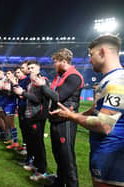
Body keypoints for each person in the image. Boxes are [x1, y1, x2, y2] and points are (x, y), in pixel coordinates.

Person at [50, 35, 124, 187]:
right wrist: (72, 115)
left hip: (112, 158)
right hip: (102, 153)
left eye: (91, 55)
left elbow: (104, 125)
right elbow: (93, 110)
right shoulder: (107, 80)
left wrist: (71, 115)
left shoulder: (117, 81)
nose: (90, 60)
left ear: (102, 52)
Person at [46, 48, 84, 187]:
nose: (54, 65)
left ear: (63, 61)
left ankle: (73, 184)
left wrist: (43, 86)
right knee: (58, 154)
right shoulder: (61, 75)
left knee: (67, 156)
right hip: (57, 119)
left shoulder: (73, 76)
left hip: (66, 121)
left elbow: (58, 97)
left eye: (55, 62)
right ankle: (60, 182)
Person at [13, 61, 51, 182]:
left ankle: (42, 171)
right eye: (29, 68)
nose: (30, 70)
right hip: (30, 115)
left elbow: (38, 99)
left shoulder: (41, 80)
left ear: (39, 68)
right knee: (33, 142)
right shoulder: (32, 81)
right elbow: (31, 97)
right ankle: (35, 165)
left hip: (38, 116)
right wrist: (23, 94)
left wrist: (23, 93)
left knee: (38, 144)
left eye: (32, 67)